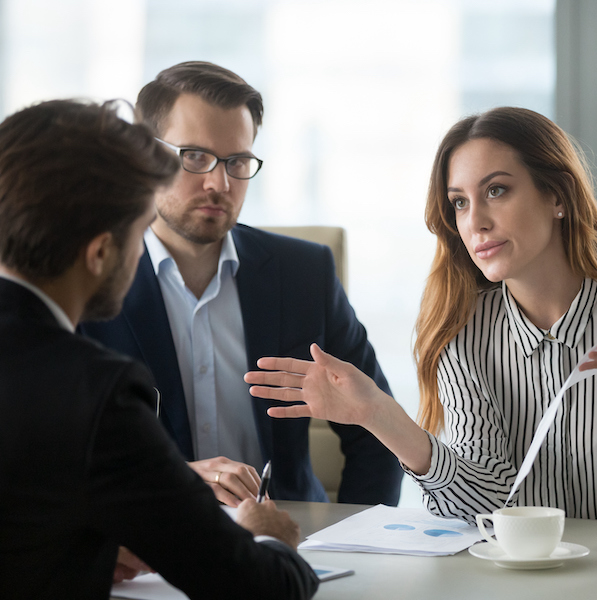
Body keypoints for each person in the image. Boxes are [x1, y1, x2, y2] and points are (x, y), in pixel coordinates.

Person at [245, 107, 597, 524]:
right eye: (460, 202)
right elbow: (486, 506)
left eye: (497, 190)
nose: (475, 221)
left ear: (557, 197)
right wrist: (377, 414)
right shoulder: (462, 329)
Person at [0, 99, 318, 598]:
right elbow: (261, 589)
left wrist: (87, 551)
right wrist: (268, 539)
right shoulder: (94, 391)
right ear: (102, 252)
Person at [80, 61, 403, 506]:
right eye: (194, 156)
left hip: (289, 543)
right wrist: (175, 481)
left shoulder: (303, 273)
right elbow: (54, 457)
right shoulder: (88, 278)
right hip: (148, 548)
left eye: (238, 161)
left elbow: (377, 433)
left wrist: (353, 542)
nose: (220, 182)